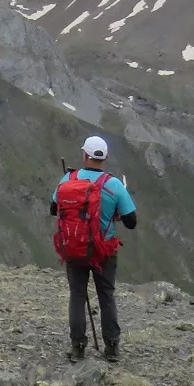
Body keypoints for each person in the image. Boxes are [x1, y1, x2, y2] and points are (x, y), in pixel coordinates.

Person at [51, 135, 138, 362]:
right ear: (105, 157)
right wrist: (113, 214)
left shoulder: (68, 179)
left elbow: (54, 208)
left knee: (77, 296)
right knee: (106, 296)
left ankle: (78, 346)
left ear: (85, 155)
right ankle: (111, 348)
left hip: (74, 248)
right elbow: (132, 222)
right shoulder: (114, 185)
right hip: (103, 252)